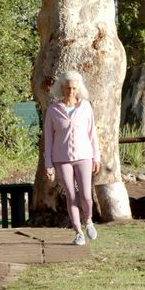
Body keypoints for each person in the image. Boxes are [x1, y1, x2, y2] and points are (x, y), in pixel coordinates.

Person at [43, 70, 101, 246]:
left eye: (74, 88)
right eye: (68, 88)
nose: (71, 91)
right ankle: (78, 232)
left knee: (86, 195)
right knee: (71, 194)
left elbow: (92, 134)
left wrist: (96, 157)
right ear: (62, 88)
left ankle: (88, 220)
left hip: (84, 156)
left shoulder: (85, 107)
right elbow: (48, 139)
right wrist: (48, 164)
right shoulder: (53, 110)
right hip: (62, 159)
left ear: (79, 89)